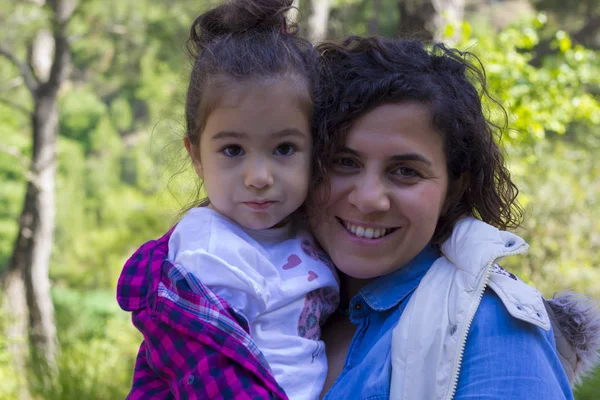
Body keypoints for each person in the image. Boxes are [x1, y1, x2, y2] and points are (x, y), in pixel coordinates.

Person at [309, 36, 600, 399]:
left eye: (405, 171)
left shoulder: (491, 329)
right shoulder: (265, 296)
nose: (369, 199)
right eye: (344, 162)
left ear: (455, 188)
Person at [116, 1, 339, 399]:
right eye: (233, 150)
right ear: (197, 156)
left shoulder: (312, 228)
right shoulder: (210, 251)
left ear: (316, 148)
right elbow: (214, 375)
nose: (259, 177)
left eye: (285, 148)